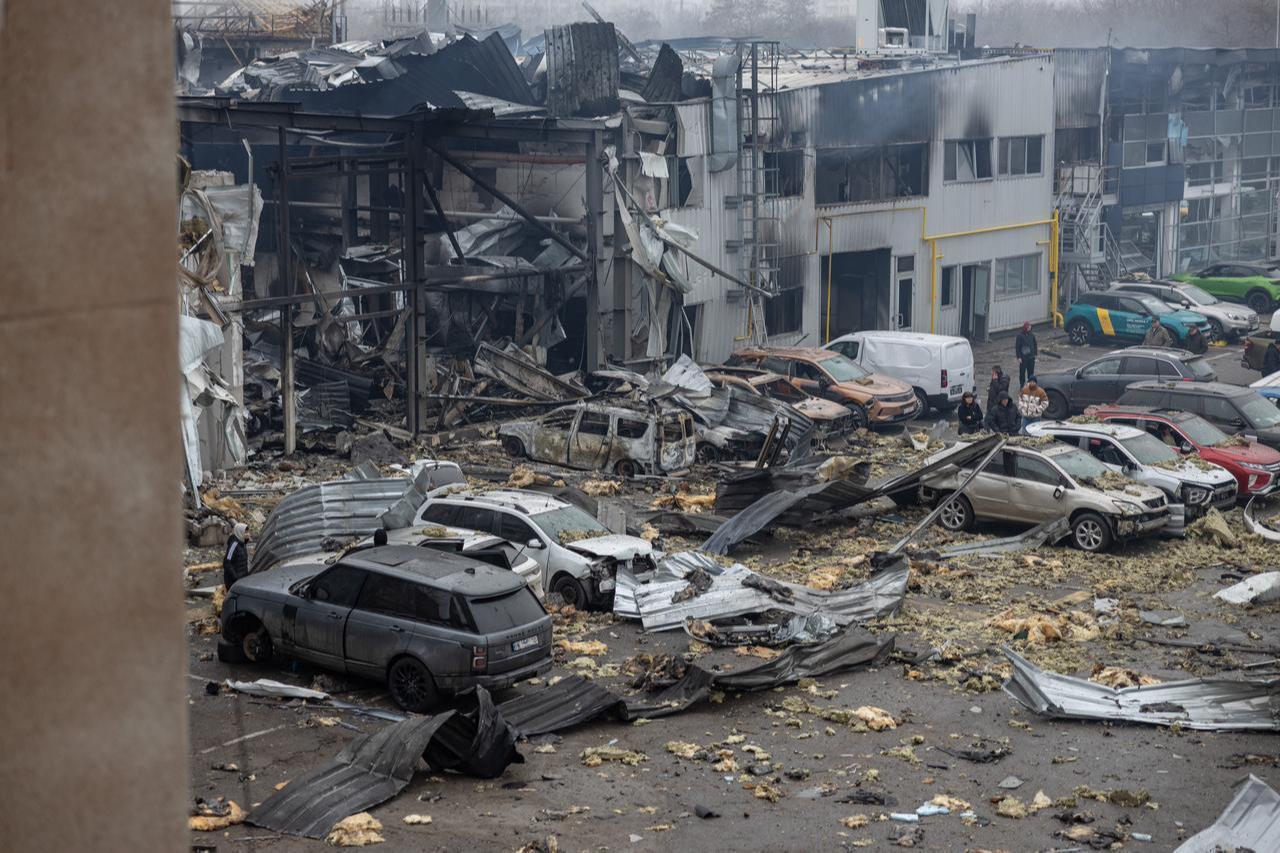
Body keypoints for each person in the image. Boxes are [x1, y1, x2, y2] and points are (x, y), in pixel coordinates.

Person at [223, 522, 249, 591]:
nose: (248, 534)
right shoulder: (234, 545)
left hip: (241, 579)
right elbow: (227, 563)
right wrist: (235, 577)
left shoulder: (242, 544)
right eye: (245, 532)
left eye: (247, 532)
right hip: (233, 581)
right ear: (239, 532)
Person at [1015, 322, 1038, 386]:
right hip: (1023, 357)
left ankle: (1030, 384)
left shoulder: (1032, 335)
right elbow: (1017, 347)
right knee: (1022, 372)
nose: (1029, 329)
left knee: (1031, 372)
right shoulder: (1020, 336)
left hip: (1031, 357)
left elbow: (1035, 343)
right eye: (1028, 328)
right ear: (1025, 328)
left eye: (1030, 327)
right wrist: (1019, 357)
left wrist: (1035, 353)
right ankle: (1022, 385)